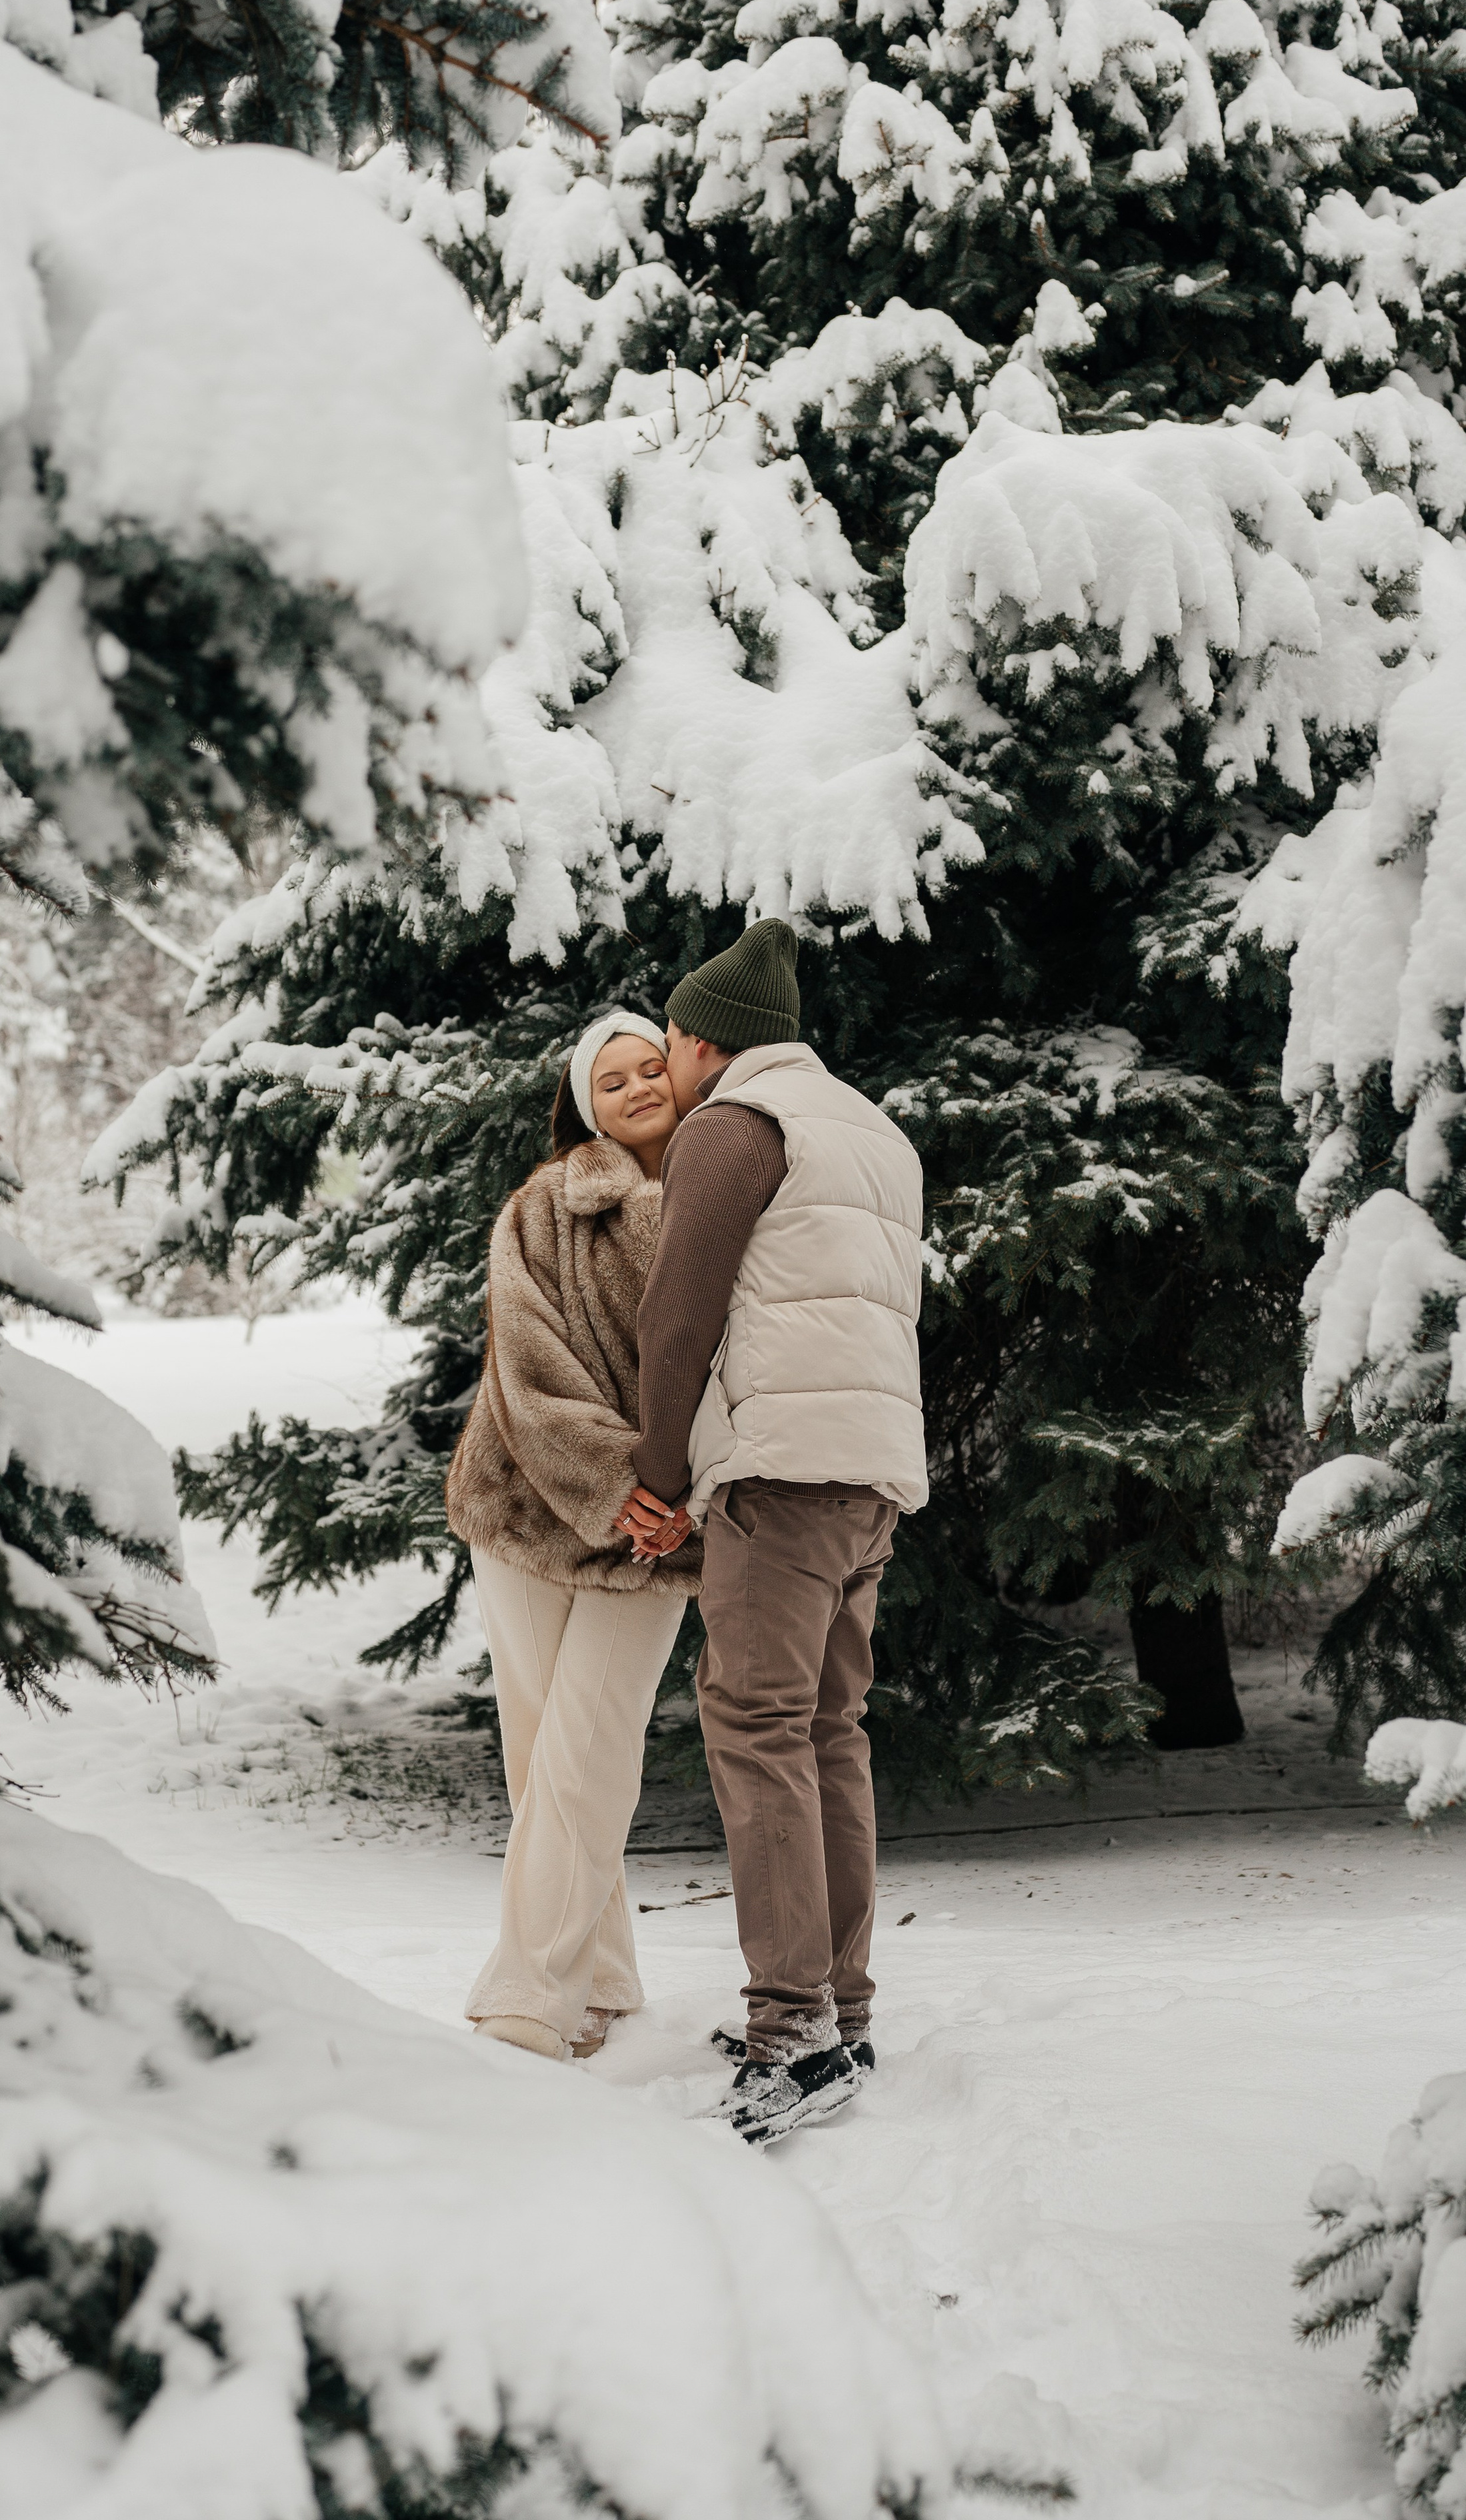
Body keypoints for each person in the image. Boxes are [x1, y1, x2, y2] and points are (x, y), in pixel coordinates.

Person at [612, 919, 927, 2146]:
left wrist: (658, 1474)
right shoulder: (873, 1131)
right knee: (829, 1733)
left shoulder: (733, 1129)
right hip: (871, 1478)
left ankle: (790, 2035)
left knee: (757, 1732)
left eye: (672, 1046)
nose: (667, 1070)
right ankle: (839, 2012)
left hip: (780, 1482)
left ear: (701, 1042)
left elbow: (678, 1315)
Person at [445, 1012, 702, 2064]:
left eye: (655, 1067)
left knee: (590, 1748)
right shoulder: (544, 1204)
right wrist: (615, 1482)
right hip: (525, 1505)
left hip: (661, 1528)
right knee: (540, 1747)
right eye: (615, 1076)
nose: (641, 1086)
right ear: (582, 1098)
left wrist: (672, 1493)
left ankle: (527, 1993)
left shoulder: (722, 1198)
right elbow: (530, 1368)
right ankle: (597, 1974)